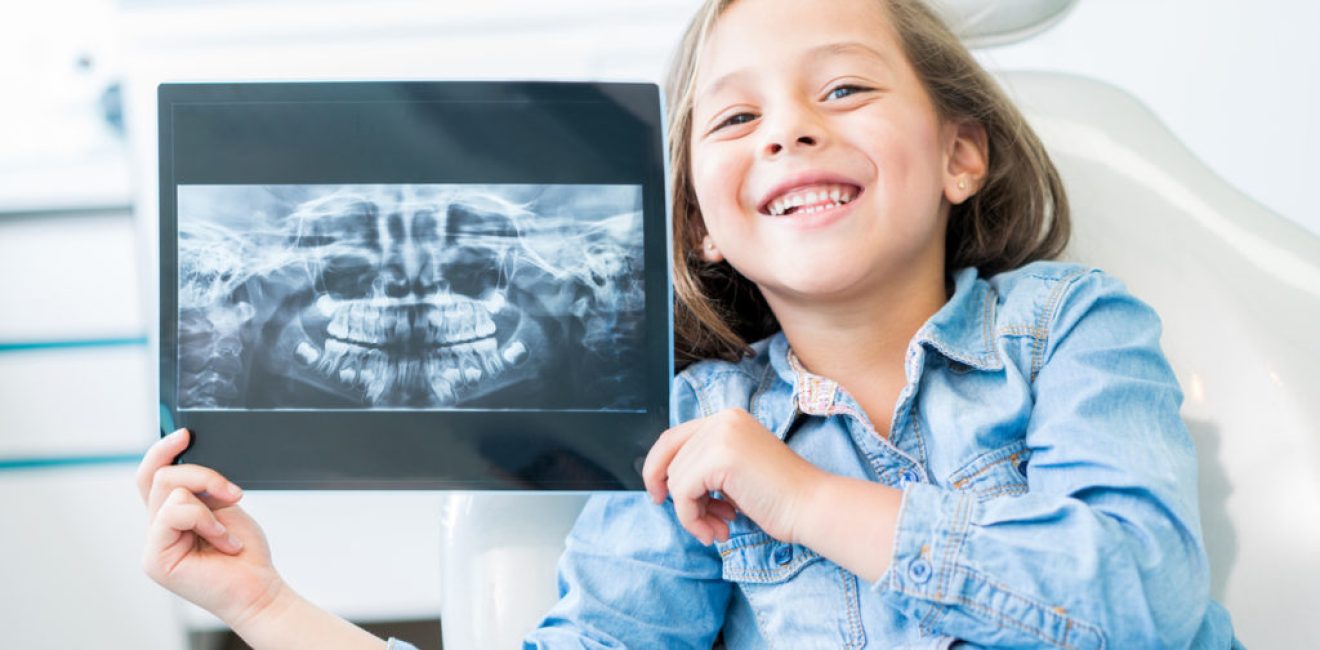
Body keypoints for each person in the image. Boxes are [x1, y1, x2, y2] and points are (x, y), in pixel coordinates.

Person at [138, 0, 1240, 647]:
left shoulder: (1071, 330)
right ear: (704, 224)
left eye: (845, 90)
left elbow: (1139, 597)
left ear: (963, 152)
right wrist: (266, 603)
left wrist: (802, 497)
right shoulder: (697, 428)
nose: (790, 133)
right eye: (738, 116)